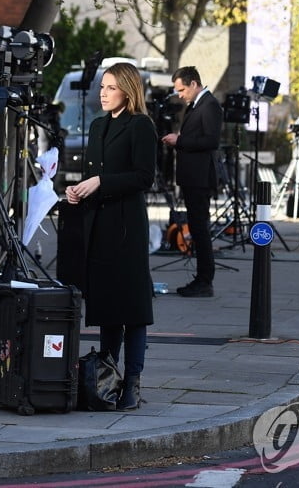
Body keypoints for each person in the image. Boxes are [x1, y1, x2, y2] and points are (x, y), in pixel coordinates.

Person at [65, 62, 156, 411]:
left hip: (127, 227)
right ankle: (107, 375)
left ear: (128, 91)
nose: (103, 93)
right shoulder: (98, 126)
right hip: (98, 226)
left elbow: (143, 177)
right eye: (102, 87)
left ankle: (132, 380)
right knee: (106, 308)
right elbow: (94, 175)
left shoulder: (141, 126)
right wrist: (78, 191)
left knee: (131, 307)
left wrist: (102, 183)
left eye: (111, 87)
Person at [161, 66, 222, 298]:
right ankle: (202, 278)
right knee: (196, 228)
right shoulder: (197, 105)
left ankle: (205, 280)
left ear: (195, 84)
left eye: (182, 89)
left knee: (200, 228)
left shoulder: (210, 105)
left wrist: (181, 140)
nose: (180, 95)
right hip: (192, 177)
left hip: (200, 178)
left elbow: (211, 140)